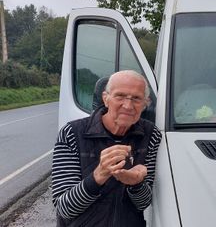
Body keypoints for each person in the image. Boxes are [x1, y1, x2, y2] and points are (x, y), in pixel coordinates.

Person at [51, 70, 162, 226]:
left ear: (145, 103)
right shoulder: (72, 133)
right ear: (106, 98)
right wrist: (98, 175)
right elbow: (65, 208)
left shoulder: (151, 134)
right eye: (120, 96)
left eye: (136, 98)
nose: (128, 105)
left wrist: (135, 183)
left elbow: (143, 204)